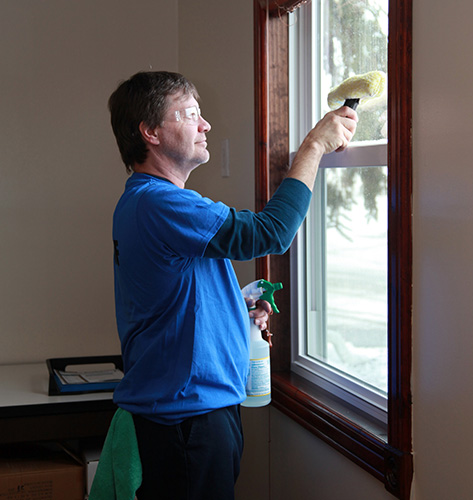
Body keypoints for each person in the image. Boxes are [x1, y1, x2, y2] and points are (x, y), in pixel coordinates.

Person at [108, 71, 357, 500]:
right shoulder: (160, 201)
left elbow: (173, 300)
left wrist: (235, 312)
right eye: (190, 115)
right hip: (186, 422)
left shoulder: (143, 200)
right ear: (149, 132)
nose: (205, 125)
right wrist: (314, 145)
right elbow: (272, 232)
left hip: (187, 414)